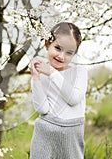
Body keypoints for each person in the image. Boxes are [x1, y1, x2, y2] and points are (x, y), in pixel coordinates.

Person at [29, 22, 88, 159]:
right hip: (44, 134)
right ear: (47, 44)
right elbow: (43, 109)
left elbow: (73, 98)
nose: (61, 56)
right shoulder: (43, 74)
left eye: (69, 52)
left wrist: (51, 72)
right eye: (57, 48)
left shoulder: (79, 72)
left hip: (71, 137)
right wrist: (35, 78)